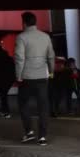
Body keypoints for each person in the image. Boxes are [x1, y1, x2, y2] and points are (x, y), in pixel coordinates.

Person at [15, 12, 55, 146]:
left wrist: (18, 76)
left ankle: (29, 132)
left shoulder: (21, 37)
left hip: (27, 77)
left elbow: (20, 58)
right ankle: (42, 136)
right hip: (42, 77)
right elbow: (51, 56)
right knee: (43, 106)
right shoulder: (45, 36)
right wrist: (51, 72)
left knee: (23, 104)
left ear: (24, 22)